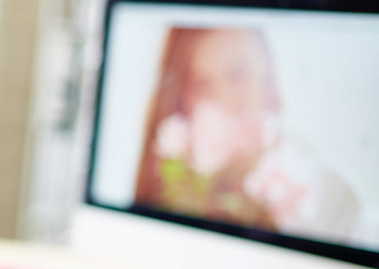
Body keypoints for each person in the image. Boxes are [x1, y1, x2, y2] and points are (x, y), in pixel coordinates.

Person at [135, 27, 361, 243]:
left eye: (239, 74)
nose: (226, 102)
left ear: (268, 75)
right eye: (201, 85)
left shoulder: (328, 192)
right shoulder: (170, 188)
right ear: (180, 101)